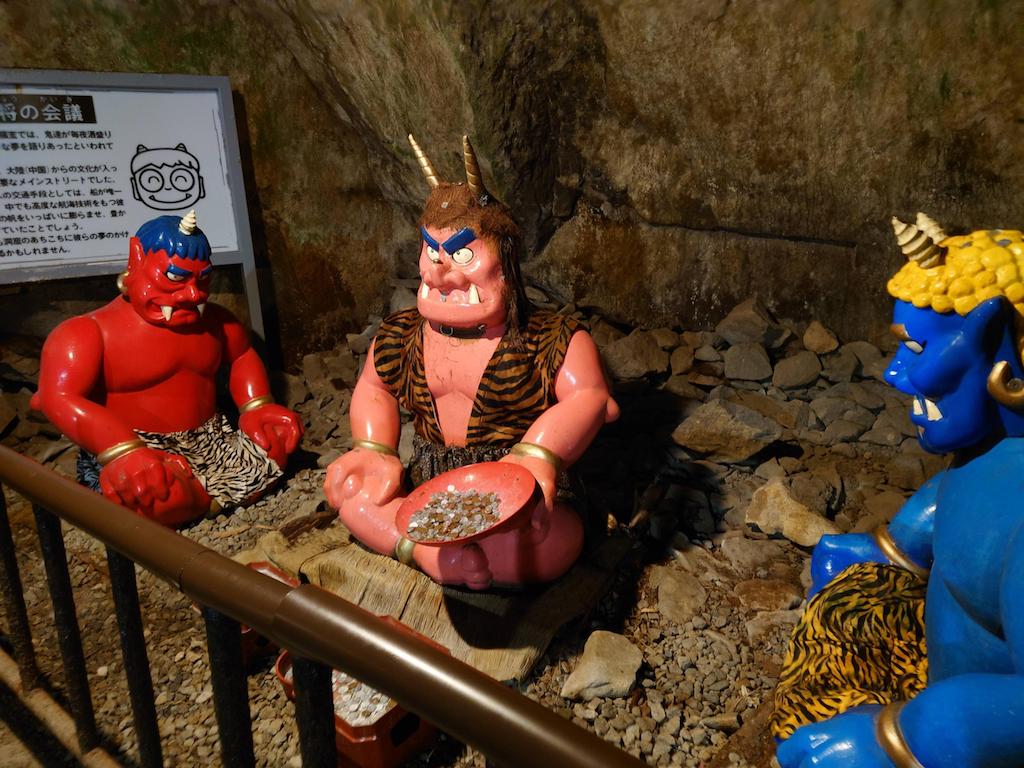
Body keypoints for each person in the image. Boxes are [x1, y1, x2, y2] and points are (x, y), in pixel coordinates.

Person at [773, 214, 1024, 767]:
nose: (894, 374)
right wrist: (896, 547)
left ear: (999, 350)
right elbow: (962, 494)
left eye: (915, 348)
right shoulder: (991, 459)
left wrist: (899, 740)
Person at [324, 135, 619, 589]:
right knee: (353, 497)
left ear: (506, 260)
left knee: (543, 544)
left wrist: (538, 455)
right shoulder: (401, 335)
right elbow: (373, 386)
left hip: (517, 493)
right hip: (428, 483)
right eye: (432, 251)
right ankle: (428, 551)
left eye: (462, 253)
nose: (439, 270)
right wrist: (374, 449)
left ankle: (443, 554)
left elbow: (591, 398)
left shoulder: (551, 339)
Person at [33, 210, 303, 526]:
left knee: (274, 443)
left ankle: (202, 501)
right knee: (155, 496)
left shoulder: (217, 322)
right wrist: (121, 450)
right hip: (138, 448)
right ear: (136, 260)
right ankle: (202, 500)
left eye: (203, 279)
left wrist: (256, 406)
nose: (193, 294)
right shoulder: (86, 334)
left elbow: (242, 355)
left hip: (212, 439)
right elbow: (57, 397)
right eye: (175, 278)